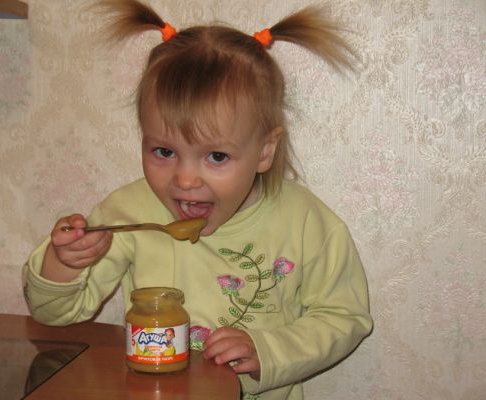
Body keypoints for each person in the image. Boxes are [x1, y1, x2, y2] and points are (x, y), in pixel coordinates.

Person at [22, 1, 373, 399]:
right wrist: (63, 265)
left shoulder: (304, 222)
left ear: (264, 151)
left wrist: (268, 350)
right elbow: (54, 316)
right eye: (164, 151)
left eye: (217, 156)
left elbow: (345, 316)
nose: (185, 180)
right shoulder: (128, 212)